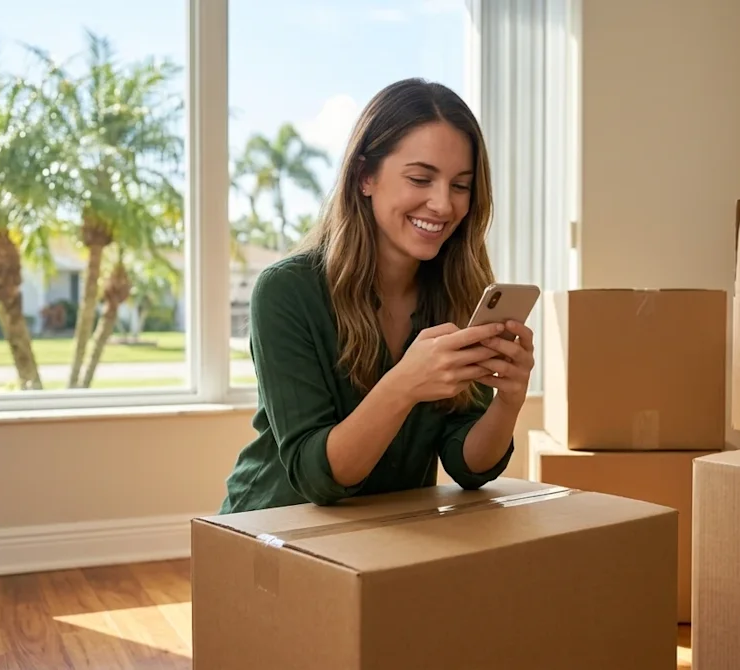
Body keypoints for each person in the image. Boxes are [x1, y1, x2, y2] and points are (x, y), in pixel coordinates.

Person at [218, 78, 534, 514]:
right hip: (273, 532)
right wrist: (405, 384)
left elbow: (467, 465)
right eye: (421, 178)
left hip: (385, 539)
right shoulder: (286, 292)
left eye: (460, 185)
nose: (443, 205)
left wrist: (509, 401)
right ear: (365, 176)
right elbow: (318, 478)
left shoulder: (459, 294)